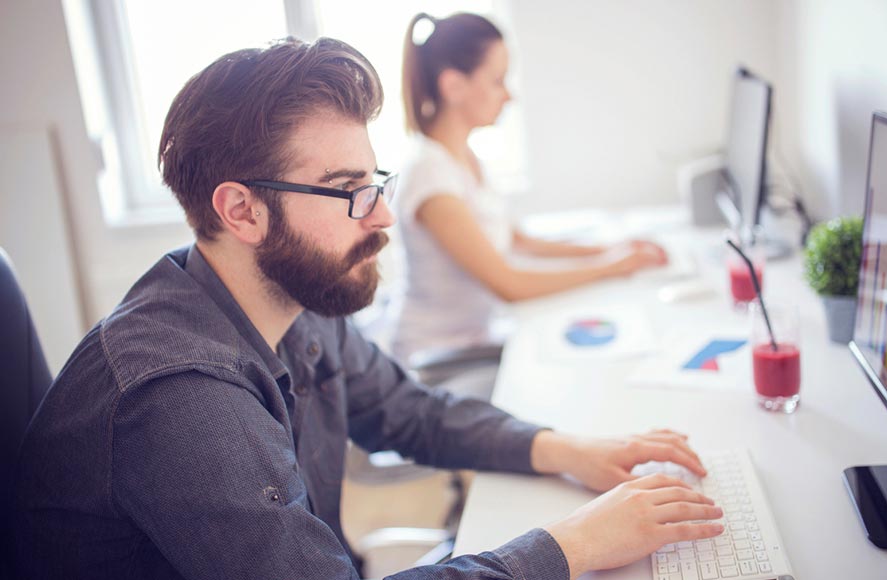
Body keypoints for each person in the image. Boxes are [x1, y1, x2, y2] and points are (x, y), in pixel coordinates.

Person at [14, 37, 723, 580]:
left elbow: (409, 411)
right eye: (348, 189)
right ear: (242, 211)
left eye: (374, 180)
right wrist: (571, 545)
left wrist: (569, 450)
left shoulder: (297, 293)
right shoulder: (177, 398)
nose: (383, 216)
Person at [390, 12, 669, 364]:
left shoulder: (464, 156)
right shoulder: (430, 175)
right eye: (497, 81)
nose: (509, 96)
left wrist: (606, 250)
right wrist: (611, 267)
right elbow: (510, 285)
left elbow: (519, 241)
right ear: (453, 87)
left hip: (478, 338)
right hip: (438, 357)